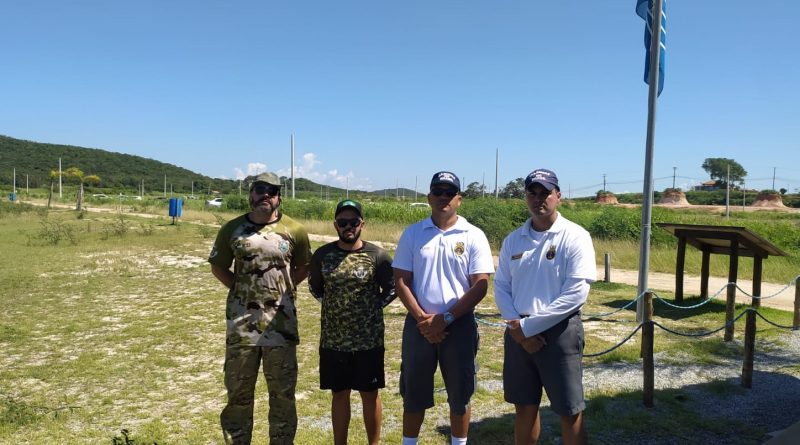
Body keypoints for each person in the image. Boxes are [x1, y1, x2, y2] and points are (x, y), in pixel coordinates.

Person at [494, 168, 596, 445]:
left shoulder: (575, 236)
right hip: (517, 332)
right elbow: (501, 285)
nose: (539, 198)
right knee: (524, 406)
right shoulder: (514, 239)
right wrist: (516, 326)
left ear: (558, 196)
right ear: (526, 196)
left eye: (545, 192)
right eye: (533, 192)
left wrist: (526, 327)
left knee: (569, 409)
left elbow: (576, 293)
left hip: (559, 331)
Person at [208, 172, 312, 445]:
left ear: (279, 197)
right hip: (242, 327)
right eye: (259, 190)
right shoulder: (232, 229)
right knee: (238, 394)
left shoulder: (295, 230)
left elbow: (304, 267)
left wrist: (284, 289)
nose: (265, 195)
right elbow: (218, 267)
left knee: (282, 395)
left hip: (281, 325)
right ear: (250, 194)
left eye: (272, 191)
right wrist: (242, 290)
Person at [392, 171, 495, 445]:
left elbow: (480, 285)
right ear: (429, 198)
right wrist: (423, 320)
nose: (443, 198)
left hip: (458, 325)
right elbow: (401, 281)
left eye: (449, 193)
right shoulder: (413, 233)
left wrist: (446, 318)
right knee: (413, 393)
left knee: (460, 394)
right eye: (438, 192)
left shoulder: (474, 235)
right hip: (419, 325)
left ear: (459, 199)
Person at [308, 199, 396, 445]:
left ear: (362, 224)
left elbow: (391, 288)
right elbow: (315, 287)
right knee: (339, 394)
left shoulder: (376, 255)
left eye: (353, 222)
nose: (349, 226)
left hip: (368, 341)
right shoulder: (323, 255)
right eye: (343, 222)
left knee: (370, 394)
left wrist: (371, 308)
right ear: (335, 225)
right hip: (334, 341)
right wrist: (336, 308)